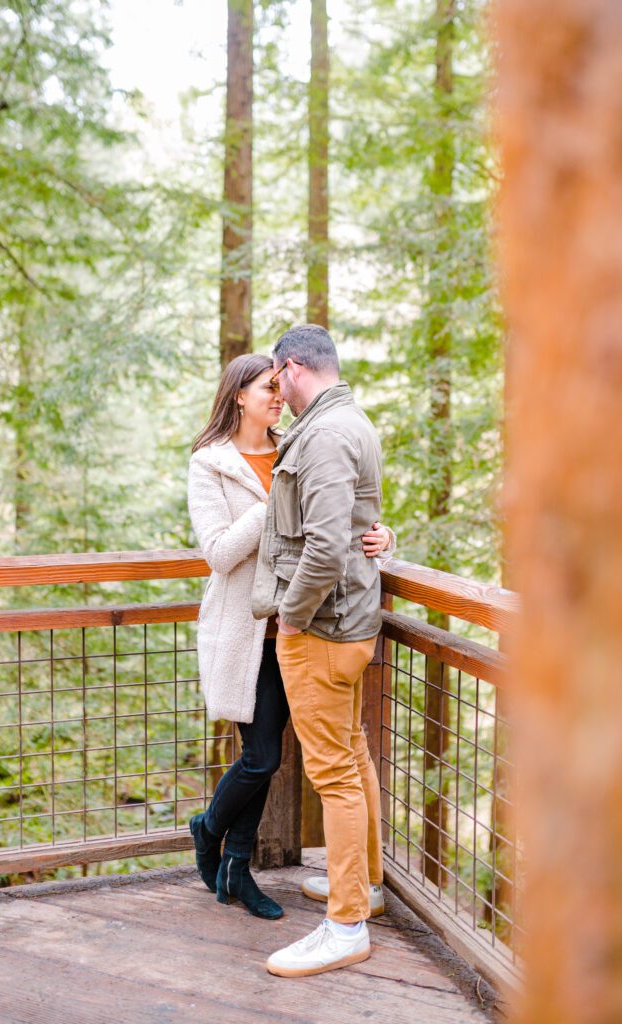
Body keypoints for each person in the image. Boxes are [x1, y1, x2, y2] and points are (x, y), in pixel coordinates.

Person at [187, 352, 393, 921]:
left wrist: (384, 537)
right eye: (265, 388)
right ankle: (209, 831)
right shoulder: (211, 463)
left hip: (302, 627)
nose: (278, 396)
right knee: (257, 758)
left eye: (280, 386)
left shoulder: (296, 445)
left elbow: (340, 521)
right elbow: (220, 553)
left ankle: (235, 869)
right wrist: (272, 503)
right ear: (238, 396)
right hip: (247, 627)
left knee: (270, 755)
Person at [251, 324, 388, 977]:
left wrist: (293, 619)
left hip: (324, 629)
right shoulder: (349, 422)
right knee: (352, 756)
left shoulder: (327, 434)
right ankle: (364, 889)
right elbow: (355, 526)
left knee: (332, 773)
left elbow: (329, 544)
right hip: (347, 623)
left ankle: (345, 925)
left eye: (276, 378)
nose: (276, 389)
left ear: (290, 367)